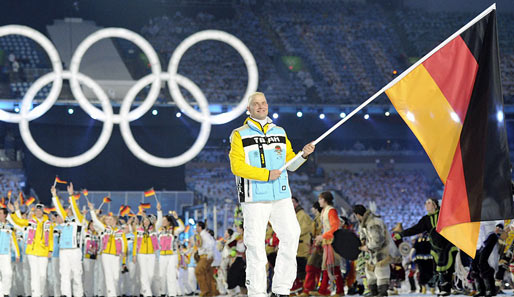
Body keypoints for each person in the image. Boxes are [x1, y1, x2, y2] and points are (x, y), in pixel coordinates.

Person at [228, 91, 315, 297]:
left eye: (264, 102)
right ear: (248, 109)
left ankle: (281, 288)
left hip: (281, 194)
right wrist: (266, 175)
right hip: (254, 196)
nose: (261, 106)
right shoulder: (239, 134)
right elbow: (236, 166)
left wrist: (303, 155)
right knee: (255, 244)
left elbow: (290, 164)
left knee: (292, 234)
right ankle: (257, 292)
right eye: (256, 104)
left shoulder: (279, 131)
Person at [394, 198, 458, 297]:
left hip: (448, 246)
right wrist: (401, 234)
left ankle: (450, 288)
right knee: (438, 269)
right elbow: (415, 229)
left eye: (429, 203)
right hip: (436, 248)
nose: (426, 205)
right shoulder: (425, 220)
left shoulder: (444, 215)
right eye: (426, 203)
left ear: (435, 205)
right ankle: (443, 289)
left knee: (448, 268)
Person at [9, 200, 54, 297]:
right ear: (35, 212)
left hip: (44, 252)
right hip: (32, 252)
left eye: (40, 210)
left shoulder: (48, 223)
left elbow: (50, 238)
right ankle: (35, 294)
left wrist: (50, 250)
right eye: (36, 211)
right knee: (34, 275)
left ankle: (41, 293)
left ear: (42, 211)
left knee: (42, 275)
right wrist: (13, 212)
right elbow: (19, 221)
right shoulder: (30, 222)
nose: (38, 212)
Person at [88, 201, 127, 297]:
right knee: (108, 276)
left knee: (116, 277)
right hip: (106, 255)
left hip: (116, 256)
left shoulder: (120, 232)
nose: (110, 221)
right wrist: (92, 210)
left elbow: (124, 244)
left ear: (115, 220)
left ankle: (110, 293)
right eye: (108, 219)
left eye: (111, 219)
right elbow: (96, 221)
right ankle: (111, 295)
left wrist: (124, 254)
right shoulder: (104, 229)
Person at [52, 183, 85, 297]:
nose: (69, 210)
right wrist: (54, 196)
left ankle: (78, 294)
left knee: (76, 275)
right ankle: (65, 294)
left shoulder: (79, 220)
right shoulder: (65, 220)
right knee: (64, 274)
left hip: (75, 251)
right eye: (68, 209)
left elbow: (75, 210)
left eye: (70, 209)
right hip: (64, 251)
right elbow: (59, 208)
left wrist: (71, 195)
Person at [353, 204, 394, 297]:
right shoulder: (364, 222)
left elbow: (378, 240)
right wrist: (362, 240)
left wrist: (367, 247)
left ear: (357, 215)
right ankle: (374, 292)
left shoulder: (374, 223)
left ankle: (382, 293)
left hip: (381, 253)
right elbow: (363, 234)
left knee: (381, 272)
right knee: (370, 272)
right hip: (371, 254)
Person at [314, 191, 345, 297]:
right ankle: (325, 290)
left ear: (325, 200)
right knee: (328, 265)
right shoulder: (324, 211)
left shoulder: (331, 211)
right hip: (327, 242)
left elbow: (335, 227)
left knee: (333, 265)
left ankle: (335, 290)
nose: (319, 201)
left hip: (333, 242)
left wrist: (322, 236)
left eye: (320, 199)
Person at [291, 196, 314, 293]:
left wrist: (291, 234)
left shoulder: (301, 215)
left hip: (302, 246)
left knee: (303, 268)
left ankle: (306, 289)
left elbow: (304, 229)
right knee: (299, 269)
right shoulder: (295, 214)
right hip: (298, 247)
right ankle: (302, 289)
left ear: (296, 203)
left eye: (292, 202)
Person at [300, 201, 323, 297]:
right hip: (318, 245)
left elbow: (319, 232)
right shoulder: (318, 218)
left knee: (310, 266)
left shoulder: (320, 219)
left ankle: (308, 289)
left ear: (316, 208)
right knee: (317, 268)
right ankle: (317, 288)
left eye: (313, 208)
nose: (311, 209)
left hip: (319, 245)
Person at [195, 221, 219, 297]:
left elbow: (211, 244)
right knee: (208, 274)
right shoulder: (204, 234)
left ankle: (204, 291)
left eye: (197, 226)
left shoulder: (204, 235)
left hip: (206, 256)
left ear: (199, 227)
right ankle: (211, 292)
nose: (196, 228)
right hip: (207, 256)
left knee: (198, 271)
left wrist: (205, 248)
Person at [0, 207, 20, 297]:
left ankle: (6, 293)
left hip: (6, 253)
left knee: (8, 273)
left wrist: (17, 254)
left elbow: (14, 241)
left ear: (5, 215)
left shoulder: (10, 227)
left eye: (1, 213)